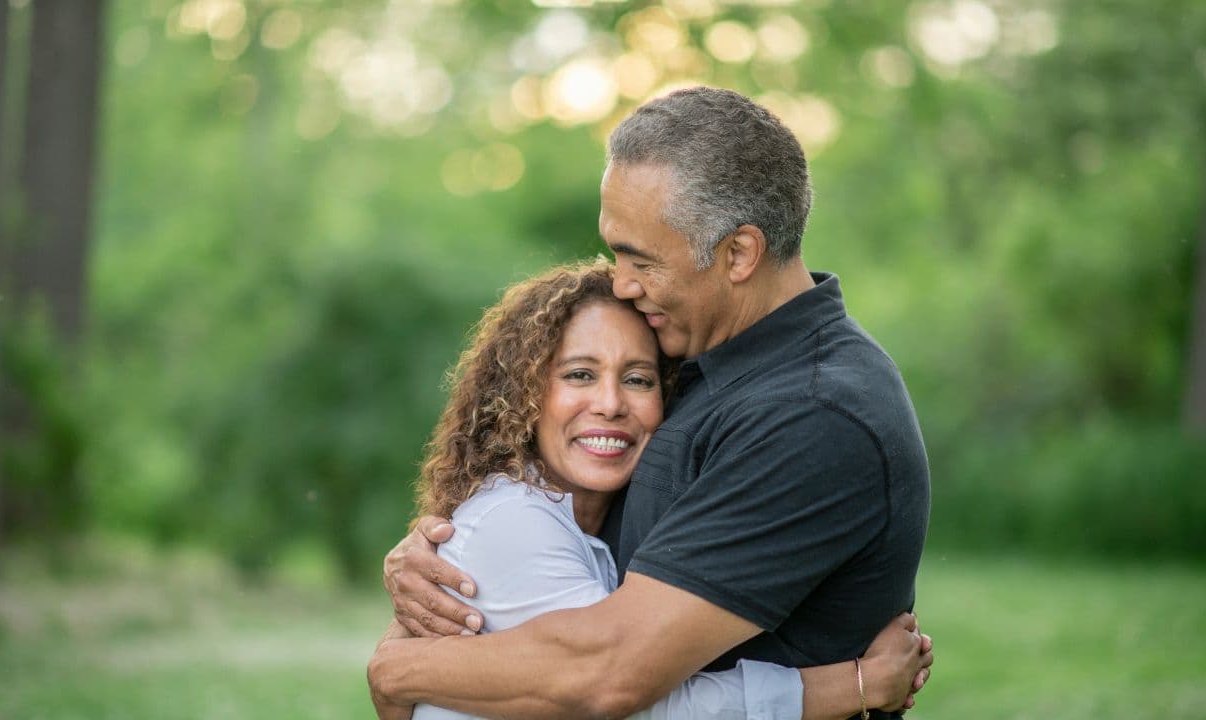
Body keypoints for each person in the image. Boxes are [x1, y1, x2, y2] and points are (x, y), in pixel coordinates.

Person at [371, 87, 932, 719]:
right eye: (615, 252)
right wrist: (447, 551)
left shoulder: (813, 413)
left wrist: (401, 667)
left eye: (641, 259)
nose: (621, 282)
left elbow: (611, 678)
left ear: (739, 254)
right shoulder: (697, 358)